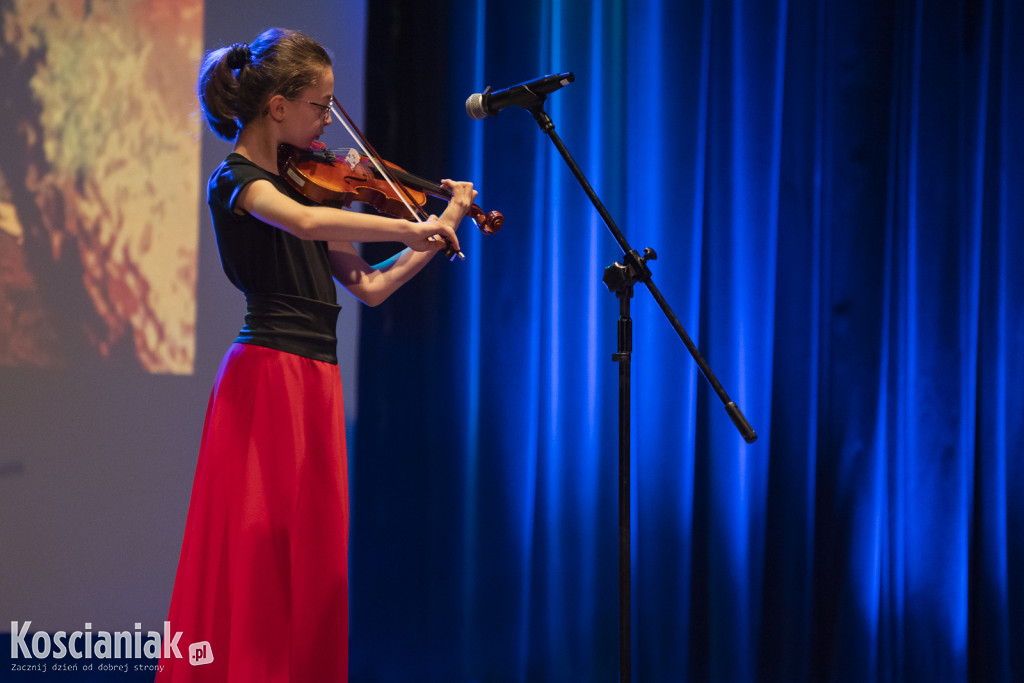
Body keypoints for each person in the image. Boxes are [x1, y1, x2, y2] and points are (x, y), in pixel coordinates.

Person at [157, 28, 475, 682]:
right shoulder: (238, 182)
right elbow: (304, 225)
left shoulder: (311, 185)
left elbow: (373, 287)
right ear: (277, 106)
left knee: (316, 563)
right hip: (266, 378)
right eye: (319, 105)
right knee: (257, 557)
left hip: (315, 382)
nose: (329, 120)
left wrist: (442, 230)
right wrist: (412, 223)